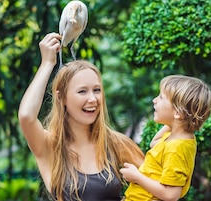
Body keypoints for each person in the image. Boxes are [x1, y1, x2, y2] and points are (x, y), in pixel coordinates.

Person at [18, 32, 144, 201]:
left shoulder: (116, 143)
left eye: (97, 90)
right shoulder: (49, 146)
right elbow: (26, 116)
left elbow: (159, 188)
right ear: (61, 97)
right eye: (82, 91)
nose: (92, 99)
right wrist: (47, 63)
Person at [120, 75, 211, 201]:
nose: (154, 100)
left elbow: (171, 195)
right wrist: (172, 123)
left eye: (161, 97)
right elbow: (154, 144)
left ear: (178, 113)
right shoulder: (175, 138)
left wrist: (136, 176)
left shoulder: (176, 148)